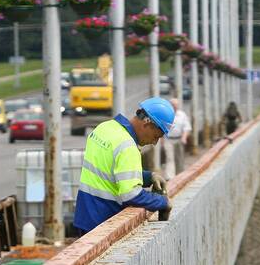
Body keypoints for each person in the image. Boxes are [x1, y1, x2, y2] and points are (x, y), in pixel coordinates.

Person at [73, 97, 174, 236]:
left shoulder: (105, 128)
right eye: (156, 136)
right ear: (147, 123)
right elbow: (130, 194)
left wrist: (149, 177)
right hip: (102, 223)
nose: (155, 142)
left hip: (84, 216)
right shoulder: (127, 147)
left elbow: (110, 170)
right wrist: (162, 202)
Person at [163, 98, 191, 178]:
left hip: (179, 139)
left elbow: (187, 127)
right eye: (173, 105)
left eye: (176, 105)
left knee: (180, 158)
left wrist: (184, 137)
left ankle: (180, 175)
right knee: (169, 158)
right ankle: (169, 177)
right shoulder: (166, 115)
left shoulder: (182, 115)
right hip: (168, 139)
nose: (175, 107)